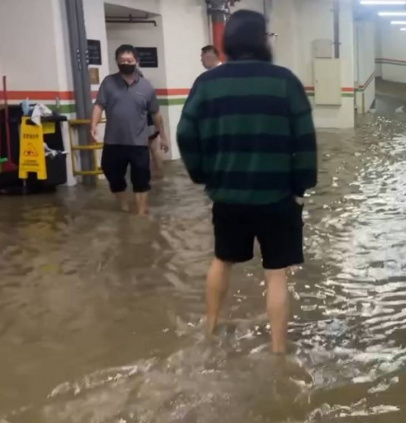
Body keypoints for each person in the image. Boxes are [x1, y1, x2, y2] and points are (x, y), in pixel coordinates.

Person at [177, 10, 317, 354]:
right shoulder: (285, 82)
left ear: (228, 41)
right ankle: (278, 350)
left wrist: (203, 175)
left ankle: (210, 328)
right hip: (277, 197)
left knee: (222, 259)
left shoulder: (207, 83)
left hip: (227, 196)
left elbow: (184, 133)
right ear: (261, 40)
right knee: (276, 273)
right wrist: (300, 187)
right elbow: (305, 141)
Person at [91, 44, 169, 214]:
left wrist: (163, 135)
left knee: (141, 176)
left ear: (136, 61)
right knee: (111, 173)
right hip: (114, 141)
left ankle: (141, 213)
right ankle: (124, 205)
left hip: (138, 142)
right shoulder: (108, 82)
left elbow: (156, 113)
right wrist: (93, 125)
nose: (125, 63)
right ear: (117, 62)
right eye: (122, 60)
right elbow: (99, 106)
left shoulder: (146, 87)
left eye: (129, 60)